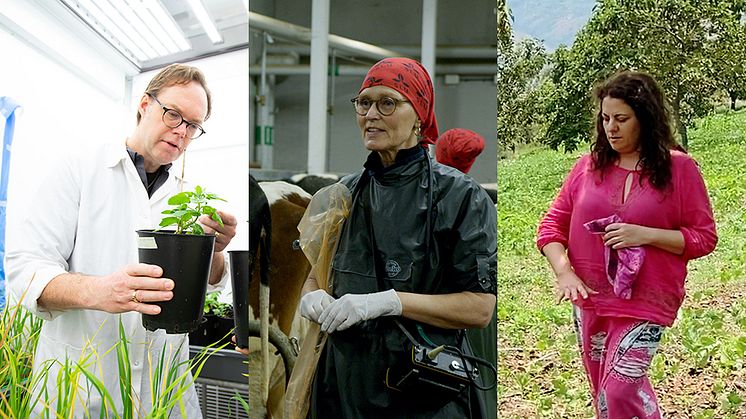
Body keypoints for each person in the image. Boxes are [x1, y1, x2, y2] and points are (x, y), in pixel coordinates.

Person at [5, 64, 237, 417]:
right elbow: (25, 269)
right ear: (145, 104)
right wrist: (100, 291)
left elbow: (208, 285)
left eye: (193, 126)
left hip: (163, 392)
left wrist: (214, 252)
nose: (182, 132)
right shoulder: (79, 170)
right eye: (173, 115)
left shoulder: (186, 197)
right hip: (82, 390)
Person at [298, 57, 497, 418]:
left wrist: (389, 302)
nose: (371, 114)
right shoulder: (343, 195)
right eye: (364, 102)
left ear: (419, 114)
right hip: (343, 390)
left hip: (424, 389)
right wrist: (311, 296)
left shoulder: (460, 197)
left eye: (387, 102)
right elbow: (317, 274)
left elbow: (479, 308)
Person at [536, 71, 717, 418]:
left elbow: (704, 237)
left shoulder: (680, 169)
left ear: (645, 119)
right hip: (591, 298)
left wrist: (645, 234)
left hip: (646, 299)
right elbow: (550, 228)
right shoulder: (586, 168)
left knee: (620, 389)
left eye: (621, 119)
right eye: (605, 118)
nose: (611, 128)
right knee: (603, 396)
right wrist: (564, 273)